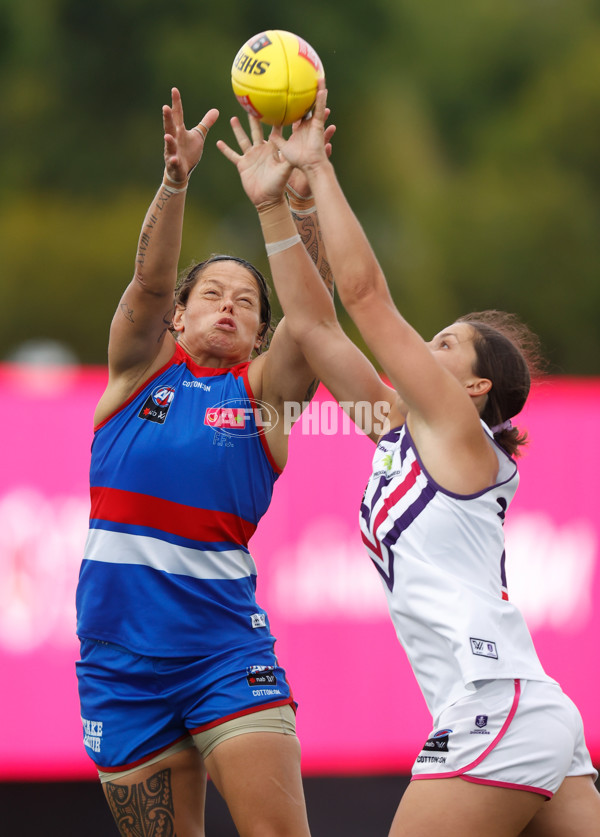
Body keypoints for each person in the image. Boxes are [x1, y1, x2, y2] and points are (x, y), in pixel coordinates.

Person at [217, 84, 600, 836]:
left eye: (447, 344)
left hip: (495, 703)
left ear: (477, 387)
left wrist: (320, 170)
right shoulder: (401, 428)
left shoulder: (458, 431)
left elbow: (363, 297)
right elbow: (317, 329)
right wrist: (273, 206)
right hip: (531, 709)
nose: (427, 346)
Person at [75, 87, 334, 837]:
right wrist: (175, 181)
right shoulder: (136, 373)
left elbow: (313, 320)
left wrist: (294, 205)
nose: (227, 305)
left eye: (247, 301)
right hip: (117, 666)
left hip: (226, 656)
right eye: (210, 293)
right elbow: (151, 280)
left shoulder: (265, 395)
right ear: (177, 317)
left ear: (259, 334)